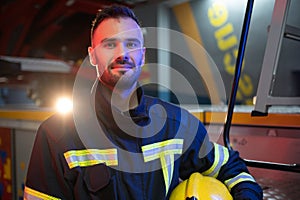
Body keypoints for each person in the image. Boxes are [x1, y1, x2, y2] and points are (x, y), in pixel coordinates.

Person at [24, 5, 263, 200]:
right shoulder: (56, 134)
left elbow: (233, 169)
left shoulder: (175, 124)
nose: (122, 54)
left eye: (131, 44)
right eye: (110, 44)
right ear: (92, 55)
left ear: (142, 55)